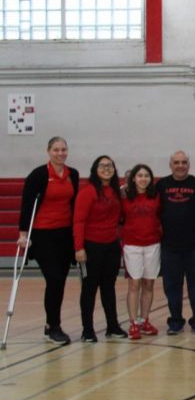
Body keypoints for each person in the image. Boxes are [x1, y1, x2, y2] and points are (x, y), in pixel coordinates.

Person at [17, 136, 79, 345]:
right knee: (54, 278)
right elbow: (27, 205)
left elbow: (75, 203)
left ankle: (50, 324)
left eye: (63, 149)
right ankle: (55, 326)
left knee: (60, 280)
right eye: (56, 150)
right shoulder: (38, 175)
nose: (60, 153)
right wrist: (23, 234)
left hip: (65, 234)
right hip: (43, 234)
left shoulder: (73, 174)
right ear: (48, 151)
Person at [73, 155, 127, 342]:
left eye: (110, 165)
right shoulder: (87, 192)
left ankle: (112, 326)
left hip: (111, 246)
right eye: (102, 166)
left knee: (108, 287)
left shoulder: (115, 191)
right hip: (91, 247)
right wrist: (79, 248)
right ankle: (87, 330)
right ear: (95, 169)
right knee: (89, 289)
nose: (106, 168)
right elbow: (78, 220)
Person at [157, 150, 195, 335]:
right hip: (170, 247)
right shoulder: (162, 185)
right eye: (176, 162)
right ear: (170, 165)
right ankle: (175, 321)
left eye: (183, 162)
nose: (180, 165)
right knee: (172, 288)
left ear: (189, 164)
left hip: (194, 246)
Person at [121, 164, 162, 340]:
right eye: (140, 176)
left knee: (149, 285)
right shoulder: (124, 197)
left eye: (146, 175)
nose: (143, 179)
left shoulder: (156, 197)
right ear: (133, 178)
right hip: (132, 246)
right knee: (134, 285)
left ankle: (144, 319)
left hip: (153, 245)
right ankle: (133, 323)